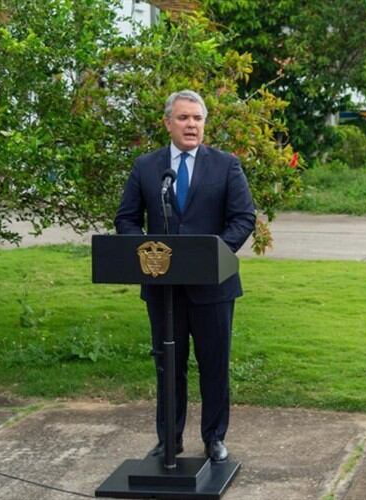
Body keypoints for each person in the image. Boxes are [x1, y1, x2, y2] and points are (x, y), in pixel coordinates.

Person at [115, 90, 256, 462]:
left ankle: (214, 438)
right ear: (168, 123)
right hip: (163, 289)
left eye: (197, 118)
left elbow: (244, 218)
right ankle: (169, 440)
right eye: (183, 118)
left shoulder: (226, 165)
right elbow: (126, 219)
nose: (191, 124)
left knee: (214, 366)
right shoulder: (147, 167)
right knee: (168, 366)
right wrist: (145, 252)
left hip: (214, 286)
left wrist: (212, 255)